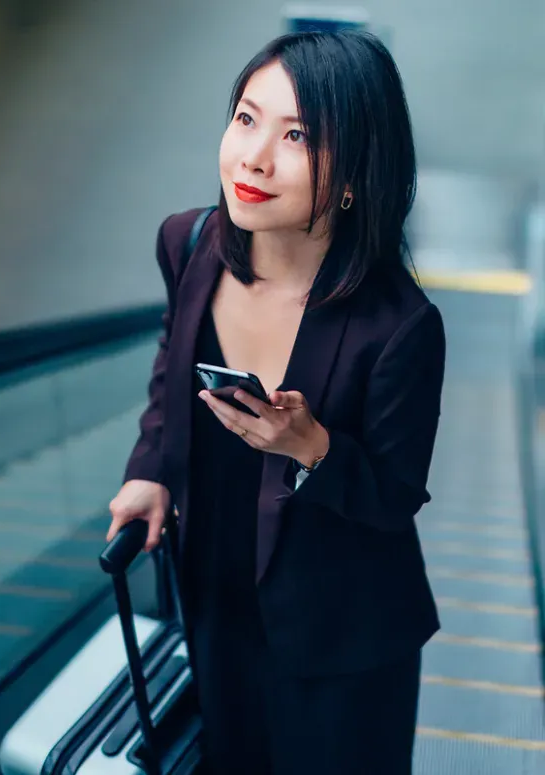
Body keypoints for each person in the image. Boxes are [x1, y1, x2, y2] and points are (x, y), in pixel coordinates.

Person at [108, 29, 445, 775]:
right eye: (247, 118)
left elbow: (395, 497)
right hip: (219, 593)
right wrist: (152, 468)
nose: (254, 157)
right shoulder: (190, 242)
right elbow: (173, 362)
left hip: (341, 635)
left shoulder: (398, 325)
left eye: (298, 136)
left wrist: (312, 447)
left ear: (356, 174)